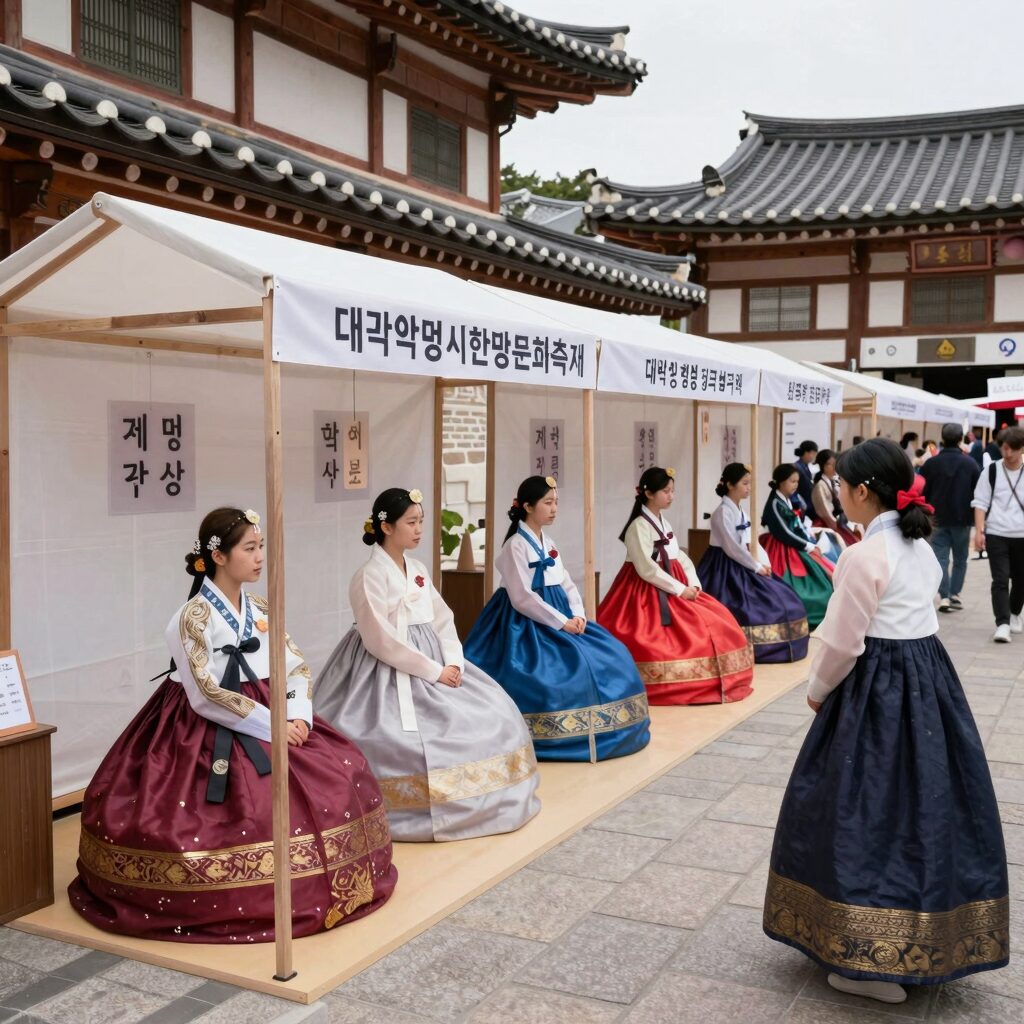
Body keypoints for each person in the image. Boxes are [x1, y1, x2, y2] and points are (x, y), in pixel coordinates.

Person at [69, 507, 398, 942]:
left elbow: (295, 665)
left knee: (340, 770)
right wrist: (272, 725)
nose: (260, 557)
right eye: (250, 548)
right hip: (203, 725)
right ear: (218, 556)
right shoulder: (190, 618)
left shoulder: (261, 607)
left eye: (261, 546)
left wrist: (296, 714)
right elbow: (205, 695)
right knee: (232, 809)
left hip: (274, 711)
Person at [764, 439, 1009, 1003]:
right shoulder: (917, 545)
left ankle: (862, 956)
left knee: (862, 809)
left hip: (876, 685)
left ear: (862, 492)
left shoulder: (864, 555)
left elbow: (844, 641)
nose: (840, 496)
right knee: (924, 807)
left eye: (844, 487)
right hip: (926, 678)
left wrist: (818, 689)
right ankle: (924, 937)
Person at [315, 488, 540, 842]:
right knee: (390, 736)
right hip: (383, 668)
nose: (419, 529)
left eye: (421, 521)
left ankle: (487, 801)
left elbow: (442, 618)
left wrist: (453, 661)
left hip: (434, 657)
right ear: (386, 527)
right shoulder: (369, 575)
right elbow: (380, 640)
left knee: (496, 710)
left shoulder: (417, 568)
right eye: (411, 522)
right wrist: (434, 671)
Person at [464, 475, 650, 762]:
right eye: (547, 503)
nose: (554, 509)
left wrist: (577, 613)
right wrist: (560, 621)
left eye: (556, 503)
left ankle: (611, 726)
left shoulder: (547, 541)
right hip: (523, 621)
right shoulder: (515, 545)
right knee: (556, 672)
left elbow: (565, 583)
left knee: (613, 653)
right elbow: (522, 597)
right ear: (527, 506)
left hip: (560, 612)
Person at [597, 466, 754, 704]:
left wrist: (692, 583)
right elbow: (647, 569)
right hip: (644, 590)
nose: (671, 496)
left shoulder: (663, 522)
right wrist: (680, 589)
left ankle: (715, 678)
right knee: (658, 638)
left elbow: (679, 556)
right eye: (666, 491)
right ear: (649, 493)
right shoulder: (637, 527)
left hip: (674, 582)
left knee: (715, 619)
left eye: (672, 491)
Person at [696, 463, 809, 663]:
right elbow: (732, 548)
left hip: (744, 561)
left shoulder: (742, 512)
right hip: (724, 567)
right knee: (743, 606)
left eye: (750, 483)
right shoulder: (722, 513)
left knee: (784, 595)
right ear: (730, 485)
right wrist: (755, 566)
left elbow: (752, 542)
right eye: (745, 483)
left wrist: (763, 563)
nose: (749, 488)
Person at [760, 464, 834, 629]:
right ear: (780, 482)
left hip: (794, 543)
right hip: (782, 547)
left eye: (797, 481)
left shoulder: (786, 500)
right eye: (792, 481)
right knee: (795, 585)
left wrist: (808, 540)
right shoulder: (774, 503)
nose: (795, 485)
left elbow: (796, 526)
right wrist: (807, 545)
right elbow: (783, 532)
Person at [920, 423, 981, 613]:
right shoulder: (970, 463)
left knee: (940, 559)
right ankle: (955, 594)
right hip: (962, 518)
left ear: (943, 439)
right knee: (961, 558)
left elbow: (923, 490)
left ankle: (944, 596)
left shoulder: (930, 464)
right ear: (961, 439)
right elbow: (977, 492)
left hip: (936, 517)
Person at [972, 426, 1024, 643]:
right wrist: (979, 531)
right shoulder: (991, 471)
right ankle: (1002, 623)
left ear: (1022, 449)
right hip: (996, 533)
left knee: (1021, 580)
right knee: (1000, 579)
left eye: (1012, 449)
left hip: (1022, 534)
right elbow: (980, 503)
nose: (1008, 453)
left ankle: (1014, 612)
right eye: (1004, 448)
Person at [811, 449, 859, 547]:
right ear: (822, 466)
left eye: (835, 464)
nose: (834, 467)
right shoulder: (820, 485)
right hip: (827, 523)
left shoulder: (834, 480)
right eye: (830, 464)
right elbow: (824, 512)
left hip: (839, 520)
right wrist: (835, 526)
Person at [793, 440, 819, 509]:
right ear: (806, 453)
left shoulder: (806, 467)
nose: (814, 456)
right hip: (802, 504)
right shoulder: (797, 467)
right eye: (813, 453)